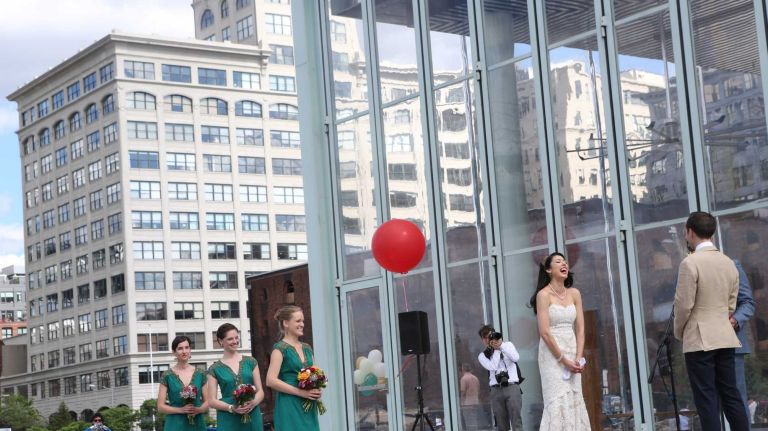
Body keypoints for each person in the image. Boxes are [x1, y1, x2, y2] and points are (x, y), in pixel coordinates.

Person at [673, 212, 749, 431]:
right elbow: (731, 305)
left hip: (699, 338)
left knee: (707, 399)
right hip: (725, 336)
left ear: (690, 231)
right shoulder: (728, 263)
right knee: (731, 395)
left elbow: (683, 305)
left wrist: (680, 332)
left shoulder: (690, 263)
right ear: (712, 232)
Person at [530, 251, 590, 430]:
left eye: (565, 261)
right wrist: (562, 360)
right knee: (557, 399)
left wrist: (578, 359)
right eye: (558, 261)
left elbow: (580, 329)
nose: (564, 264)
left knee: (574, 396)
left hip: (572, 349)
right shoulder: (543, 295)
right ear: (548, 269)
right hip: (552, 355)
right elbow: (545, 332)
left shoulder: (574, 293)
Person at [266, 305, 321, 431]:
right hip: (289, 404)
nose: (302, 324)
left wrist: (316, 388)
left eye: (303, 321)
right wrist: (301, 392)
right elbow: (270, 380)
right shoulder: (279, 349)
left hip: (308, 404)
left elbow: (315, 374)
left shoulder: (307, 348)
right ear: (286, 323)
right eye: (298, 321)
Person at [207, 323, 264, 430]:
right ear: (220, 341)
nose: (235, 341)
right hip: (228, 418)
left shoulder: (251, 361)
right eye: (230, 339)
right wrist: (232, 408)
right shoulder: (214, 369)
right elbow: (211, 401)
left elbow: (260, 391)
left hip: (252, 413)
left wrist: (253, 403)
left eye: (236, 338)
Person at [157, 335, 209, 430]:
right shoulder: (167, 375)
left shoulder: (201, 373)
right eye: (180, 348)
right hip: (175, 424)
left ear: (190, 350)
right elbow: (160, 406)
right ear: (174, 352)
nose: (184, 351)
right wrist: (180, 410)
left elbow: (208, 402)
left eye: (187, 347)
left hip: (197, 424)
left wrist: (199, 409)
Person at [477, 325, 523, 431]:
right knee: (502, 425)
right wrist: (496, 351)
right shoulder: (482, 355)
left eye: (490, 336)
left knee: (517, 422)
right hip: (496, 390)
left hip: (512, 387)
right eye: (485, 338)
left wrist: (500, 346)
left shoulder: (508, 345)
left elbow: (516, 358)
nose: (488, 339)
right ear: (483, 340)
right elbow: (492, 367)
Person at [731, 259, 756, 427]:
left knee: (737, 397)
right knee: (708, 401)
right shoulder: (690, 265)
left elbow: (747, 302)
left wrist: (734, 320)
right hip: (702, 345)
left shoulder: (732, 264)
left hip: (731, 343)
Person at [460, 363, 481, 430]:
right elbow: (478, 390)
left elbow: (463, 391)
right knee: (474, 421)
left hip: (467, 404)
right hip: (475, 402)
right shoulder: (475, 378)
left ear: (463, 369)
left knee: (468, 422)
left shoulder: (464, 379)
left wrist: (461, 402)